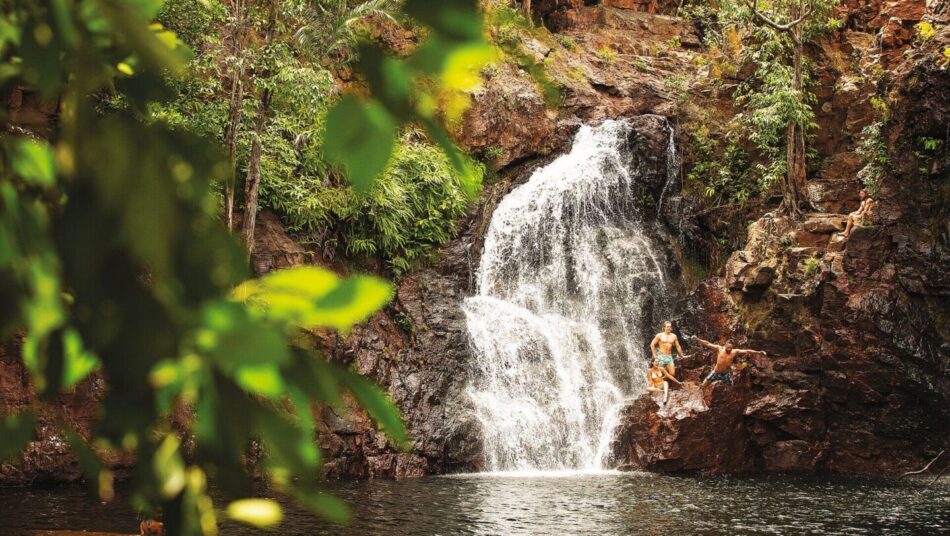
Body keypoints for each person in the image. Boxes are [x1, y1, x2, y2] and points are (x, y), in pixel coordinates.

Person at [692, 337, 767, 386]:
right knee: (703, 384)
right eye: (728, 347)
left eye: (731, 348)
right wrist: (697, 339)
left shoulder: (735, 352)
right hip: (716, 372)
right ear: (725, 345)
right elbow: (708, 343)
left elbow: (747, 350)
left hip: (726, 374)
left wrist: (758, 352)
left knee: (731, 386)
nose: (729, 349)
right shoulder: (719, 349)